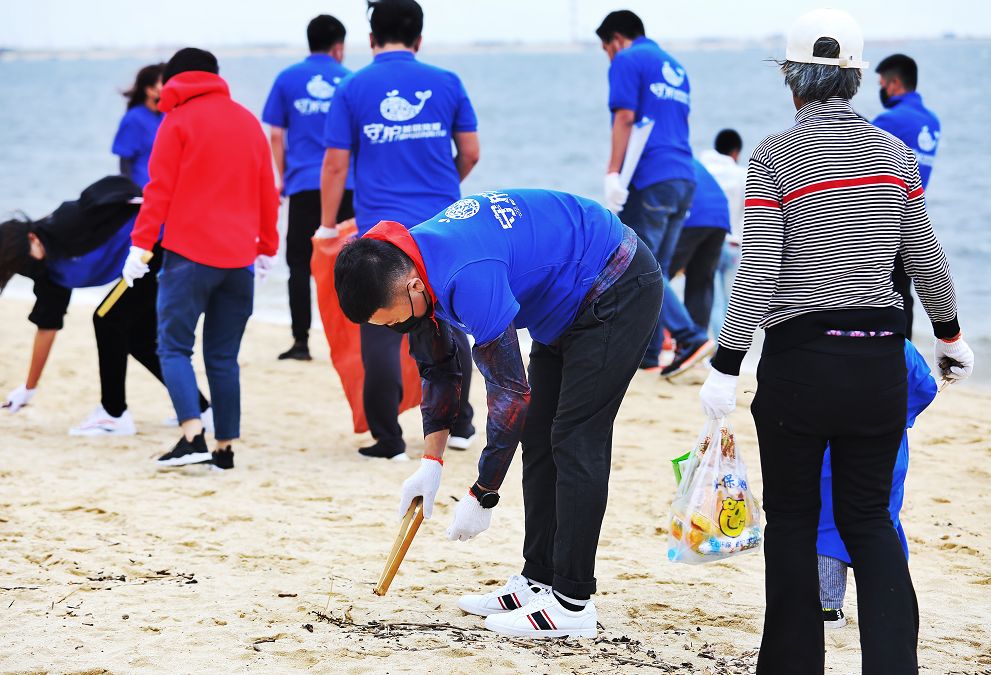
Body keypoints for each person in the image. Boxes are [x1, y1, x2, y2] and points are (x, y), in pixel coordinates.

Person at [698, 9, 974, 673]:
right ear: (854, 81)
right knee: (868, 519)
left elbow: (759, 271)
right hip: (877, 361)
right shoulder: (895, 156)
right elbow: (927, 260)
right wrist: (950, 336)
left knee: (791, 521)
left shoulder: (771, 157)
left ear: (791, 81)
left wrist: (726, 364)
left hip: (799, 368)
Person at [334, 188, 663, 638]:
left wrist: (482, 492)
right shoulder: (412, 264)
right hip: (564, 303)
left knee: (573, 438)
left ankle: (573, 602)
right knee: (540, 438)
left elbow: (510, 395)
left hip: (616, 282)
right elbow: (440, 367)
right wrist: (431, 464)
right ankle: (539, 579)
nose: (396, 329)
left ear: (411, 286)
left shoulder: (468, 274)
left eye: (393, 320)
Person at [320, 0, 478, 460]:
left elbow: (334, 164)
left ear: (370, 40)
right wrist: (442, 189)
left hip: (382, 228)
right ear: (420, 38)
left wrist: (328, 224)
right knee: (448, 320)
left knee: (379, 328)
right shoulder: (448, 82)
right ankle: (463, 425)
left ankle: (388, 439)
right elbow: (469, 153)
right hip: (442, 225)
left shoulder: (352, 87)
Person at [123, 48, 279, 470]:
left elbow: (159, 190)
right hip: (238, 262)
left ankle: (192, 436)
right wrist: (266, 247)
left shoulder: (176, 121)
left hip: (188, 258)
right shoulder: (247, 121)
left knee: (173, 348)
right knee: (223, 358)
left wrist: (140, 246)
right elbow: (268, 189)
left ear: (174, 80)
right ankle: (224, 449)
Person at [0, 177, 211, 435]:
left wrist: (152, 199)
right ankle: (200, 409)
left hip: (164, 243)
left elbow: (108, 190)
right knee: (139, 340)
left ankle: (113, 414)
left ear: (32, 237)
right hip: (147, 264)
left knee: (107, 319)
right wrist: (28, 388)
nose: (28, 265)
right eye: (21, 266)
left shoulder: (65, 223)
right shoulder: (46, 273)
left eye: (26, 255)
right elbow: (47, 327)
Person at [596, 10, 713, 376]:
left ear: (616, 39)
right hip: (683, 178)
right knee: (654, 270)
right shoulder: (675, 67)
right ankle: (648, 357)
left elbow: (625, 118)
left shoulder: (628, 59)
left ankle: (690, 336)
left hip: (651, 178)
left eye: (607, 50)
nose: (610, 58)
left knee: (637, 266)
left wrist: (613, 173)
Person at [818, 340, 937, 629]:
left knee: (827, 527)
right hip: (886, 448)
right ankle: (885, 603)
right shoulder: (896, 342)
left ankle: (829, 609)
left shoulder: (824, 338)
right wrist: (903, 415)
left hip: (830, 449)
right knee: (879, 522)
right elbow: (925, 387)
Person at [263, 14, 355, 361]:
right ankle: (350, 339)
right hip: (346, 185)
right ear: (338, 47)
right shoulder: (349, 79)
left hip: (303, 184)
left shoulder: (287, 78)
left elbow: (275, 134)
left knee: (300, 264)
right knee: (349, 263)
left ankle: (301, 343)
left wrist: (283, 176)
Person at [874, 54, 941, 340]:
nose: (881, 90)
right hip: (913, 216)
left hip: (883, 219)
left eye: (881, 84)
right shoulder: (932, 122)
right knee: (904, 293)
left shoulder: (889, 120)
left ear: (894, 84)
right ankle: (905, 355)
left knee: (877, 291)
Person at [668, 159, 731, 333]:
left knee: (654, 279)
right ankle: (697, 343)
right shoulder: (686, 159)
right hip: (720, 217)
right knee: (701, 283)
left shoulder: (655, 159)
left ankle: (673, 338)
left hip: (694, 216)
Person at [699, 129, 746, 338]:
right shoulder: (742, 175)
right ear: (735, 152)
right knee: (733, 305)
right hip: (733, 245)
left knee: (714, 302)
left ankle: (715, 348)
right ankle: (732, 350)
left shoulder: (704, 170)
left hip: (707, 243)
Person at [112, 63, 165, 189]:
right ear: (150, 90)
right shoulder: (133, 119)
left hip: (166, 191)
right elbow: (124, 162)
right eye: (163, 83)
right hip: (142, 191)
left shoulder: (168, 115)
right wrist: (130, 192)